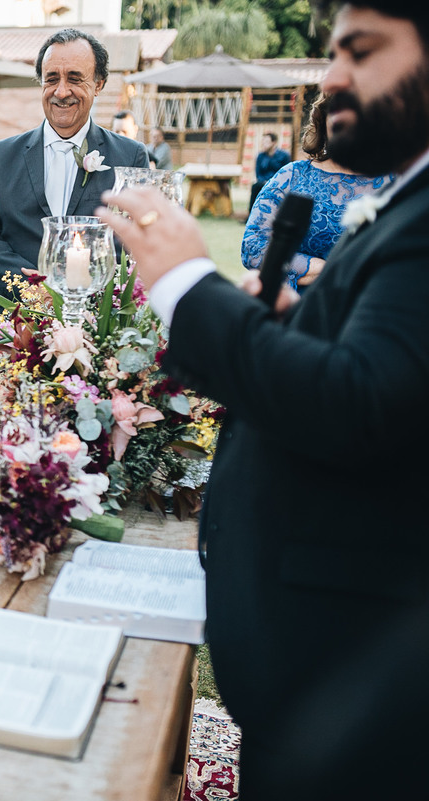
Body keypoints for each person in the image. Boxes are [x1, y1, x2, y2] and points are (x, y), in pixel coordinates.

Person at [95, 3, 429, 798]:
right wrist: (291, 325)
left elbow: (358, 407)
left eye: (363, 51)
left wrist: (185, 282)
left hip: (362, 684)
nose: (332, 76)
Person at [0, 28, 150, 342]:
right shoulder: (0, 156)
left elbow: (140, 242)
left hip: (101, 330)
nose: (61, 91)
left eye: (75, 78)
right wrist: (34, 290)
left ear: (99, 84)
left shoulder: (130, 157)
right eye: (52, 78)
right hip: (17, 326)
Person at [242, 93, 392, 293]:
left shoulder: (397, 183)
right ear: (324, 122)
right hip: (297, 309)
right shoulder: (292, 175)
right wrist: (328, 269)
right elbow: (253, 247)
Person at [249, 131, 291, 211]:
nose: (264, 144)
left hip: (279, 184)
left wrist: (273, 182)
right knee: (255, 186)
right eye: (263, 142)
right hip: (263, 183)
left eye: (267, 142)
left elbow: (287, 173)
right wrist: (265, 182)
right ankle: (251, 214)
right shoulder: (260, 156)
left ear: (274, 143)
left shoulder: (284, 156)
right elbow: (258, 174)